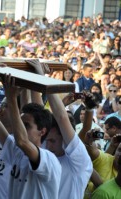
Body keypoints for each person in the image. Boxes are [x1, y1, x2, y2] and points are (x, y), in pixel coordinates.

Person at [26, 59, 93, 199]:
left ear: (66, 138)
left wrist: (43, 78)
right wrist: (35, 77)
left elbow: (62, 117)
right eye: (47, 140)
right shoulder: (48, 152)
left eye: (52, 141)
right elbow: (38, 110)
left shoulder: (79, 161)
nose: (47, 145)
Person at [0, 77, 61, 199]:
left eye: (26, 125)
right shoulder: (16, 150)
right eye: (20, 124)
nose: (20, 128)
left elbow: (22, 141)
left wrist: (11, 98)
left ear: (42, 131)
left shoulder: (49, 159)